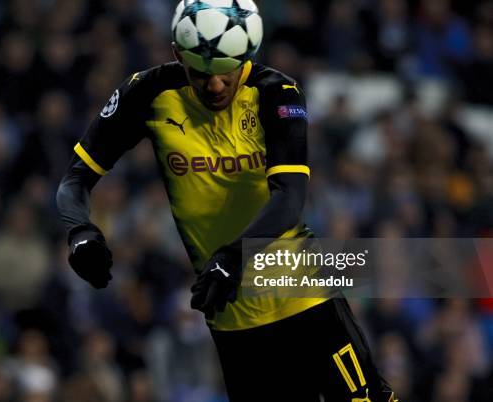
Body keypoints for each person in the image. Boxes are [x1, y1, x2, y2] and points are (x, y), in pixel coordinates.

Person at [56, 1, 398, 400]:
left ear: (248, 57)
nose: (215, 86)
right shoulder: (147, 92)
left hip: (303, 295)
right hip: (232, 320)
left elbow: (290, 198)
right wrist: (80, 230)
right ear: (175, 54)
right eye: (201, 74)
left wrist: (232, 257)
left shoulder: (277, 93)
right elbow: (74, 180)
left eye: (226, 72)